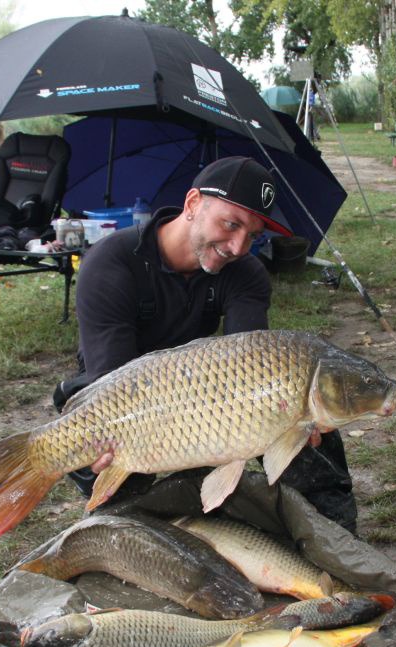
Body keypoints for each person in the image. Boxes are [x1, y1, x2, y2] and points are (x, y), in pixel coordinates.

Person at [53, 156, 358, 533]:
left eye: (253, 234)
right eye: (231, 224)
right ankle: (129, 515)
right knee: (102, 458)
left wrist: (291, 417)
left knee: (306, 415)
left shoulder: (246, 273)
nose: (237, 246)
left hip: (201, 392)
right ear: (193, 203)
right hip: (119, 393)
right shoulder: (111, 263)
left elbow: (254, 365)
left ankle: (333, 539)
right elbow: (111, 378)